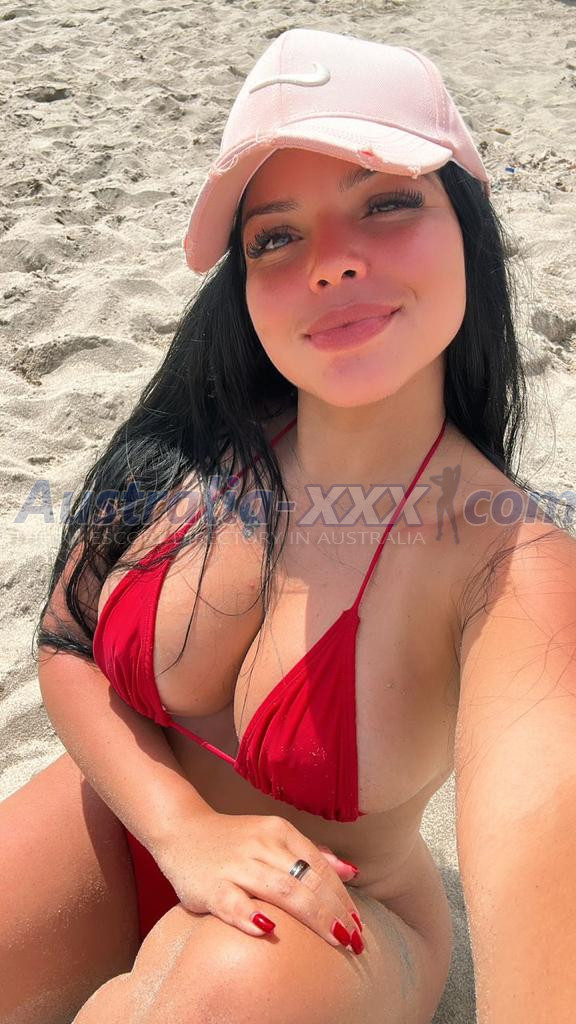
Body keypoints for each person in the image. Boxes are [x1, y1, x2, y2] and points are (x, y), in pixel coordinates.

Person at [2, 25, 575, 1024]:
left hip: (343, 925)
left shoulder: (508, 568)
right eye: (276, 236)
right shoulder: (199, 440)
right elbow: (68, 641)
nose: (332, 263)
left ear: (468, 227)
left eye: (386, 203)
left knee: (229, 983)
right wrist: (178, 828)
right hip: (131, 820)